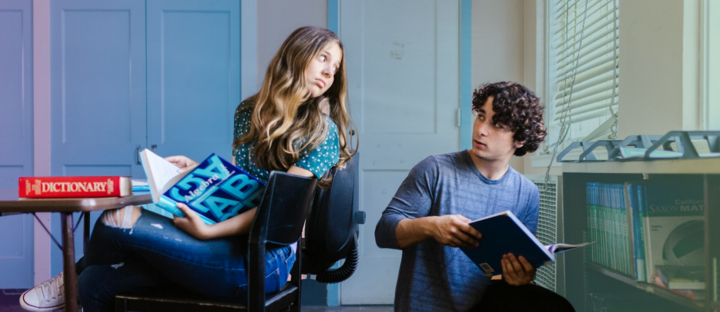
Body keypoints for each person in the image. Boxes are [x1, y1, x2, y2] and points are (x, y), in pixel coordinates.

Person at [20, 26, 355, 312]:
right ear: (295, 55)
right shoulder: (249, 112)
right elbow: (250, 187)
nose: (330, 72)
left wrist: (208, 232)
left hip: (266, 259)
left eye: (336, 67)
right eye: (323, 58)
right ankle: (78, 278)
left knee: (114, 220)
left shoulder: (323, 132)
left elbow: (276, 213)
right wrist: (200, 172)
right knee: (94, 283)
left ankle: (69, 277)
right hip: (227, 238)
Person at [375, 81, 574, 311]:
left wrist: (521, 275)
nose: (481, 129)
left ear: (519, 139)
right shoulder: (435, 169)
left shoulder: (527, 193)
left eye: (497, 124)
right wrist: (430, 226)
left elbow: (509, 272)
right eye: (481, 115)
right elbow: (384, 232)